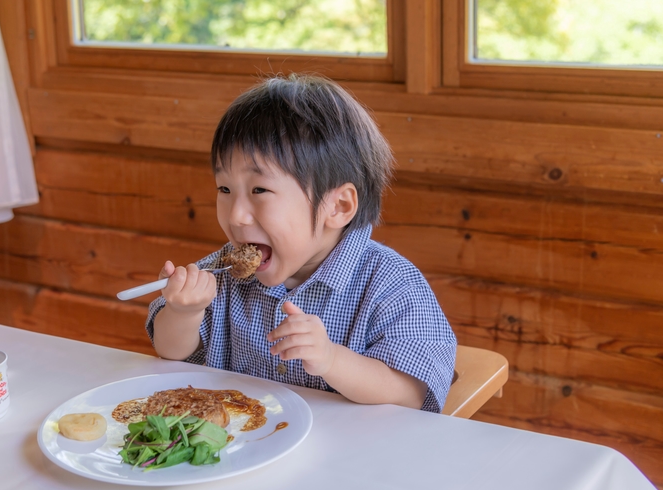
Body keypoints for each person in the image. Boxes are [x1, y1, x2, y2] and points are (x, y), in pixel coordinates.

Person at [146, 74, 457, 412]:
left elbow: (410, 394)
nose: (236, 215)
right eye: (224, 189)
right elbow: (171, 351)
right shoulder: (220, 274)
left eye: (259, 190)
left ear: (337, 207)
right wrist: (183, 312)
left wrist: (331, 359)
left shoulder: (392, 285)